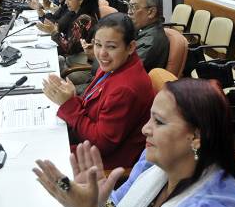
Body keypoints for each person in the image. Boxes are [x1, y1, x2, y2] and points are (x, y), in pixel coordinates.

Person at [34, 78, 235, 207]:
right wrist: (98, 203)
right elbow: (117, 206)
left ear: (196, 137)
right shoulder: (155, 162)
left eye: (158, 122)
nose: (144, 129)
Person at [42, 12, 155, 170]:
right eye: (97, 44)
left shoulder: (126, 88)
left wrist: (68, 104)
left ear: (130, 47)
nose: (102, 53)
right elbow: (93, 105)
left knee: (40, 153)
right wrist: (72, 97)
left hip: (105, 161)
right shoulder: (114, 66)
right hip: (87, 143)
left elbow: (101, 144)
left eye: (111, 47)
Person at [38, 0, 99, 84]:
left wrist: (53, 32)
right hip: (73, 61)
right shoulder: (77, 13)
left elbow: (68, 48)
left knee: (49, 79)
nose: (66, 2)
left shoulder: (85, 19)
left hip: (82, 67)